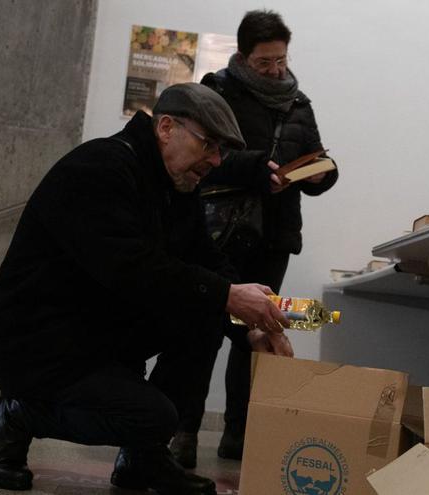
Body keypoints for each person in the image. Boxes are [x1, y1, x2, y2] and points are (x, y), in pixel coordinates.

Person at [0, 83, 293, 495]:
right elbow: (130, 270)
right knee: (153, 417)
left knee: (205, 311)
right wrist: (229, 297)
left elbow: (207, 263)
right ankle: (16, 414)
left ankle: (142, 463)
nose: (215, 161)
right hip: (38, 341)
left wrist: (247, 327)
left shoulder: (175, 184)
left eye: (222, 152)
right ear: (166, 127)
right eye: (209, 145)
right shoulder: (98, 169)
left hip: (94, 332)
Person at [164, 9, 339, 467]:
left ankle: (239, 435)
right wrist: (257, 169)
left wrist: (320, 175)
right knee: (199, 334)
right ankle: (181, 432)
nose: (276, 69)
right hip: (219, 232)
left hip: (273, 236)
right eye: (265, 62)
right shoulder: (216, 90)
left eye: (281, 59)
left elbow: (316, 156)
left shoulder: (299, 103)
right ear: (243, 56)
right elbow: (206, 156)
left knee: (257, 332)